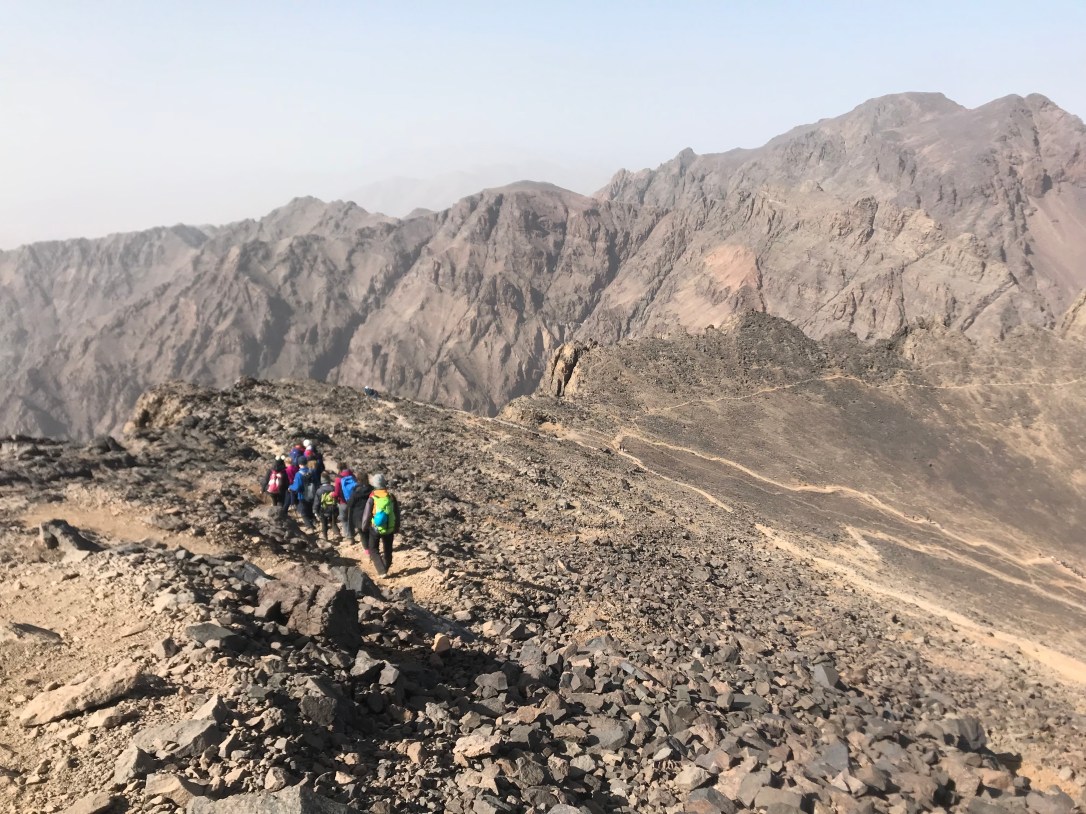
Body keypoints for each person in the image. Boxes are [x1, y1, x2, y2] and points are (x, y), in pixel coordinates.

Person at [358, 473, 400, 575]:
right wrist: (396, 527)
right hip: (389, 528)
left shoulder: (372, 497)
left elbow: (367, 514)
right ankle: (386, 566)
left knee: (373, 549)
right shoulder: (391, 497)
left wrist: (364, 526)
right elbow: (396, 513)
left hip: (375, 528)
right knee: (388, 549)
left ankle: (381, 571)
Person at [289, 457, 317, 529]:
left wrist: (290, 487)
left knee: (303, 512)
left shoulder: (298, 474)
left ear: (299, 464)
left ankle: (310, 526)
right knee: (310, 510)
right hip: (312, 494)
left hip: (302, 496)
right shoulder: (312, 471)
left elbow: (297, 486)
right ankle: (314, 522)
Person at [314, 472, 340, 541]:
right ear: (328, 480)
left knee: (324, 524)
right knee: (333, 522)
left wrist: (315, 511)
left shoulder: (319, 491)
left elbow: (317, 502)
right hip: (334, 508)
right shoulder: (333, 488)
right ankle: (338, 533)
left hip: (324, 509)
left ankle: (325, 537)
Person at [334, 467, 358, 540]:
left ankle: (350, 537)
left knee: (344, 520)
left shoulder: (338, 479)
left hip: (343, 502)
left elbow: (336, 493)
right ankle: (354, 533)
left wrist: (333, 496)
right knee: (352, 518)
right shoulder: (353, 477)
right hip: (353, 502)